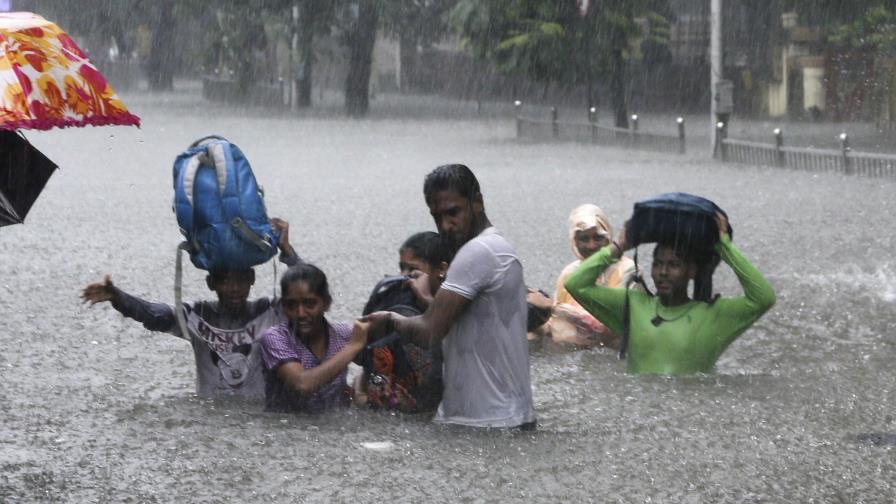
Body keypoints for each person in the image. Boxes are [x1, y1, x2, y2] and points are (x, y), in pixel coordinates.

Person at [365, 164, 536, 429]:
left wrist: (389, 319)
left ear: (477, 202)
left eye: (453, 212)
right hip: (508, 417)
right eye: (437, 216)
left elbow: (429, 332)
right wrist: (429, 300)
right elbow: (475, 323)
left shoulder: (477, 251)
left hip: (484, 424)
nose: (445, 225)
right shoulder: (500, 248)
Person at [80, 218, 299, 399]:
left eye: (240, 280)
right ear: (211, 283)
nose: (234, 288)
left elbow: (309, 295)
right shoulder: (197, 315)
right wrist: (119, 298)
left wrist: (288, 251)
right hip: (211, 416)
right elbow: (155, 315)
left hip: (256, 414)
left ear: (252, 279)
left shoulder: (269, 312)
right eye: (225, 281)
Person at [564, 212, 776, 374]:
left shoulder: (715, 314)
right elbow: (576, 284)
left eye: (674, 265)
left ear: (692, 271)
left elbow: (763, 298)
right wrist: (619, 247)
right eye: (658, 264)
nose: (663, 272)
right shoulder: (633, 305)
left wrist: (724, 247)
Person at [354, 231, 450, 412]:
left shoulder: (457, 309)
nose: (405, 276)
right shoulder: (392, 301)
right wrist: (360, 392)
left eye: (413, 270)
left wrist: (428, 301)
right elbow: (366, 362)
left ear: (441, 271)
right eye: (402, 268)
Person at [260, 263, 369, 413]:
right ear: (283, 306)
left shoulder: (344, 334)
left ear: (326, 303)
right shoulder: (275, 338)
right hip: (287, 424)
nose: (301, 314)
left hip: (335, 423)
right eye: (291, 305)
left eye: (309, 304)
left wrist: (360, 389)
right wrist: (353, 347)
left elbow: (376, 365)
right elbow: (302, 384)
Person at [527, 204, 636, 351]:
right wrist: (534, 314)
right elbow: (556, 322)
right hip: (577, 346)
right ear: (574, 241)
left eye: (598, 238)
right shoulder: (569, 273)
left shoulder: (627, 271)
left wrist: (551, 306)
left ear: (609, 237)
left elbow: (611, 327)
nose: (591, 246)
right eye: (584, 239)